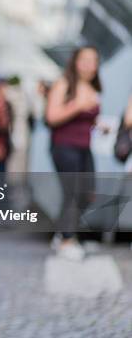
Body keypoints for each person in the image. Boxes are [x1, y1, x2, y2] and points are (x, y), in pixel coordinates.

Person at [46, 45, 101, 261]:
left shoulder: (92, 86)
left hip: (84, 147)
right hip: (64, 147)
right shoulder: (64, 84)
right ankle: (67, 241)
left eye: (93, 60)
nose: (89, 65)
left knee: (89, 194)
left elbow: (87, 119)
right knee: (72, 193)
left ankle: (63, 234)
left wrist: (98, 123)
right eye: (85, 59)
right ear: (75, 62)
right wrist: (77, 106)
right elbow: (52, 116)